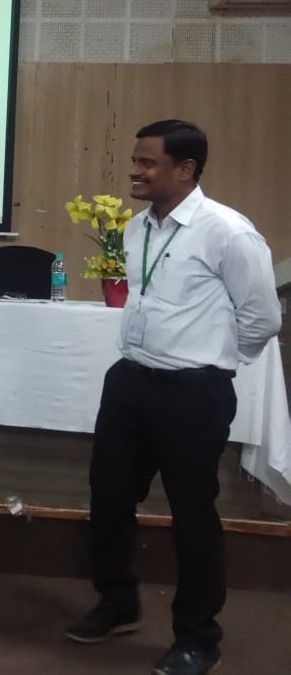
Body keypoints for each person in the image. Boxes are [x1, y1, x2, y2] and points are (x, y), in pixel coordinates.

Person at [65, 120, 281, 675]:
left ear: (185, 169)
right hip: (131, 382)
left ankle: (198, 637)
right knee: (109, 498)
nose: (134, 171)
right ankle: (118, 601)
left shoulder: (228, 232)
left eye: (147, 163)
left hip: (194, 392)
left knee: (191, 514)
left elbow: (261, 319)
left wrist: (209, 361)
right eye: (135, 161)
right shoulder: (137, 229)